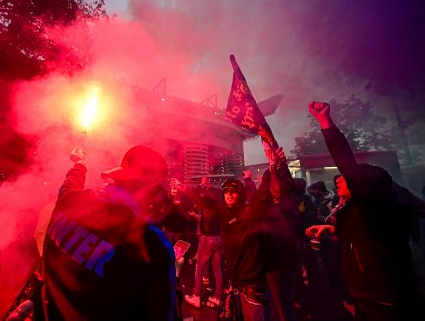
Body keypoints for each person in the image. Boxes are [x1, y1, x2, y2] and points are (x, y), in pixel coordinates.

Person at [306, 101, 425, 320]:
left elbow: (347, 163)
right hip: (369, 298)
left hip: (384, 302)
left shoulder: (375, 208)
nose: (340, 179)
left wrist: (325, 123)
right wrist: (330, 230)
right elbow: (363, 236)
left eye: (350, 178)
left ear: (365, 187)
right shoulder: (364, 212)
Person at [42, 145, 176, 320]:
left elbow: (68, 186)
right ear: (151, 190)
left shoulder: (70, 200)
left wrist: (79, 164)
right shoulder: (152, 244)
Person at [218, 146, 299, 321]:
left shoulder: (250, 212)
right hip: (235, 281)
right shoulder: (224, 215)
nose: (229, 195)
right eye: (226, 192)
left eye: (233, 192)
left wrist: (273, 166)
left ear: (240, 194)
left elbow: (262, 195)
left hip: (252, 284)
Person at [182, 176, 224, 308]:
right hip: (218, 238)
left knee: (199, 267)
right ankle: (217, 297)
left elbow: (194, 197)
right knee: (217, 270)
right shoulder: (219, 206)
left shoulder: (206, 204)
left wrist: (183, 187)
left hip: (207, 238)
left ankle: (197, 296)